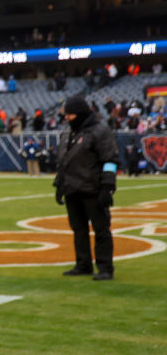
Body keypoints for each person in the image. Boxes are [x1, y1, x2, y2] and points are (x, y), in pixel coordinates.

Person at [54, 95, 118, 280]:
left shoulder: (100, 131)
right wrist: (59, 184)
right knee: (78, 229)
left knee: (101, 229)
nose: (67, 118)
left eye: (70, 115)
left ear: (80, 114)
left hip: (93, 189)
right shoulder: (68, 133)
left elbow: (110, 160)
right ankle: (83, 264)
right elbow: (63, 162)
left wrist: (107, 187)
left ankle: (105, 268)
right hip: (72, 189)